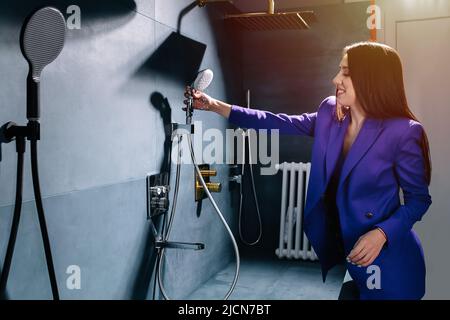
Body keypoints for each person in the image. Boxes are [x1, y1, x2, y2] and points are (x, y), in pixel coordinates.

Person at [183, 41, 432, 300]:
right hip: (356, 264)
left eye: (346, 72)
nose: (336, 79)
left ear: (372, 78)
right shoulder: (330, 113)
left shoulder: (404, 132)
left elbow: (418, 201)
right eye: (339, 70)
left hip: (394, 268)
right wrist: (213, 105)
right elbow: (276, 121)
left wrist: (381, 234)